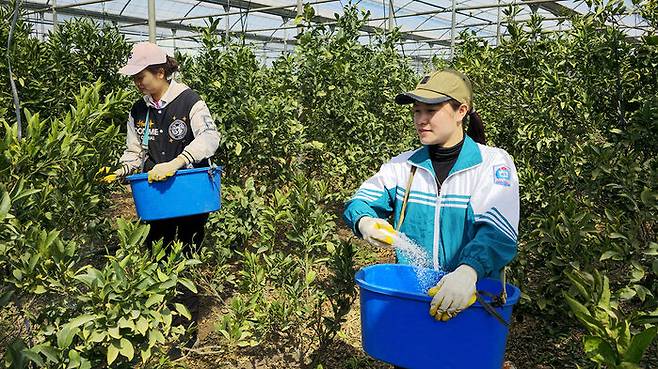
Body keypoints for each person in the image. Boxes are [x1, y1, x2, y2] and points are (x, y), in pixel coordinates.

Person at [343, 69, 519, 323]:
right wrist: (365, 221)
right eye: (417, 111)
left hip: (471, 297)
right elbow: (359, 202)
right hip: (415, 298)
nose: (421, 120)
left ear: (461, 112)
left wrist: (468, 272)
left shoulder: (491, 164)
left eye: (431, 110)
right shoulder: (404, 166)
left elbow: (498, 232)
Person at [103, 41, 220, 352]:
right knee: (157, 255)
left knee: (185, 257)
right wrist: (122, 170)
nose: (137, 82)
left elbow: (210, 137)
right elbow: (135, 152)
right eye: (134, 77)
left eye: (141, 76)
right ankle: (158, 322)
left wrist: (178, 161)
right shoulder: (139, 110)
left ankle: (185, 331)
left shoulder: (189, 101)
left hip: (188, 195)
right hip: (155, 198)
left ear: (159, 72)